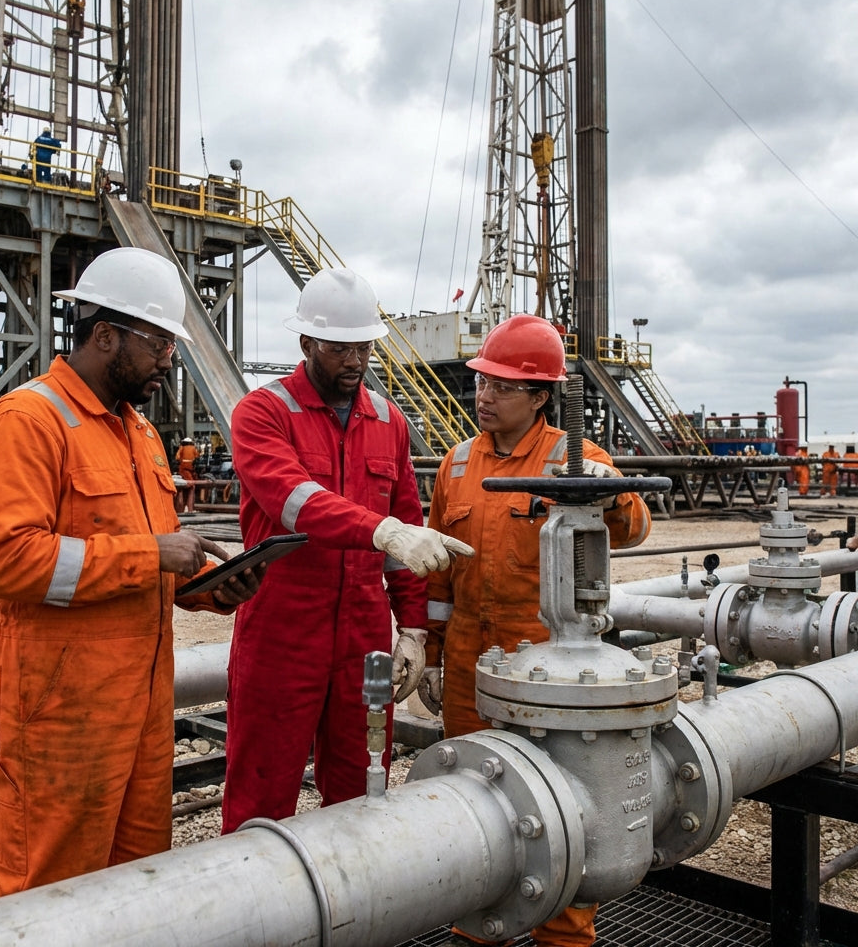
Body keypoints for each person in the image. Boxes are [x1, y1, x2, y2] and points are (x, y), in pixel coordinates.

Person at [0, 246, 261, 897]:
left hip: (142, 717)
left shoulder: (141, 436)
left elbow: (143, 569)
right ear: (105, 336)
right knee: (48, 900)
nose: (169, 359)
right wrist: (154, 554)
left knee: (133, 896)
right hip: (59, 720)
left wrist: (211, 591)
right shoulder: (27, 422)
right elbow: (6, 560)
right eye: (158, 342)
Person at [421, 315, 651, 947]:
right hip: (472, 663)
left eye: (501, 386)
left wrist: (610, 495)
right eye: (482, 382)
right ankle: (477, 931)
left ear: (541, 397)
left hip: (548, 674)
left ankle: (564, 938)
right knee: (471, 811)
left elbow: (633, 527)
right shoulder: (457, 463)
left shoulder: (573, 459)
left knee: (564, 815)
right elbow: (440, 575)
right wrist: (432, 652)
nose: (483, 396)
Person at [221, 268, 474, 834]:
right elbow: (294, 501)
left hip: (361, 635)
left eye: (363, 347)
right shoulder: (263, 414)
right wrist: (382, 531)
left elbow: (409, 531)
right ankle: (263, 916)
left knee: (364, 788)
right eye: (340, 349)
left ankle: (353, 916)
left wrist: (414, 629)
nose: (355, 361)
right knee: (261, 796)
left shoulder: (388, 421)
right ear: (307, 342)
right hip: (282, 634)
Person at [174, 436, 199, 512]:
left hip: (183, 467)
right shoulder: (193, 448)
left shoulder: (181, 448)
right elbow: (197, 456)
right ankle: (190, 508)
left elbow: (177, 457)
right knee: (191, 485)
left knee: (184, 485)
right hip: (191, 467)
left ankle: (184, 507)